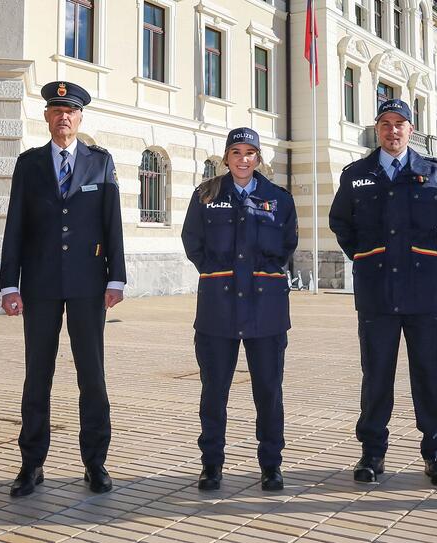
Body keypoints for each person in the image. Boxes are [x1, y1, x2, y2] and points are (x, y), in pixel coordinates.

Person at [329, 99, 437, 487]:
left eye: (400, 124)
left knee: (429, 374)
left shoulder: (434, 173)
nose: (393, 131)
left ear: (412, 129)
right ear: (378, 129)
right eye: (386, 124)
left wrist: (434, 255)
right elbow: (340, 222)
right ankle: (372, 455)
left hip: (423, 294)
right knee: (376, 377)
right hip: (376, 294)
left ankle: (436, 455)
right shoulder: (357, 174)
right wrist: (363, 254)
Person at [0, 81, 126, 496]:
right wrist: (8, 284)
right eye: (56, 110)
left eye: (70, 111)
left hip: (90, 285)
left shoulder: (99, 162)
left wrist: (116, 277)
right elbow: (15, 224)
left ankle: (96, 463)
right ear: (47, 117)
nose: (63, 117)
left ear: (80, 117)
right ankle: (31, 465)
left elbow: (112, 224)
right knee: (38, 375)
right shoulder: (29, 164)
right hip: (40, 284)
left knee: (92, 375)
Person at [181, 128, 298, 491]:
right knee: (214, 391)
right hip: (219, 308)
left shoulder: (278, 198)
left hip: (266, 310)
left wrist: (264, 271)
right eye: (236, 152)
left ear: (258, 158)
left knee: (268, 390)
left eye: (250, 152)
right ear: (226, 157)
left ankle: (271, 465)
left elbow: (287, 243)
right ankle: (211, 465)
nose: (243, 159)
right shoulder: (206, 195)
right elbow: (192, 242)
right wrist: (216, 273)